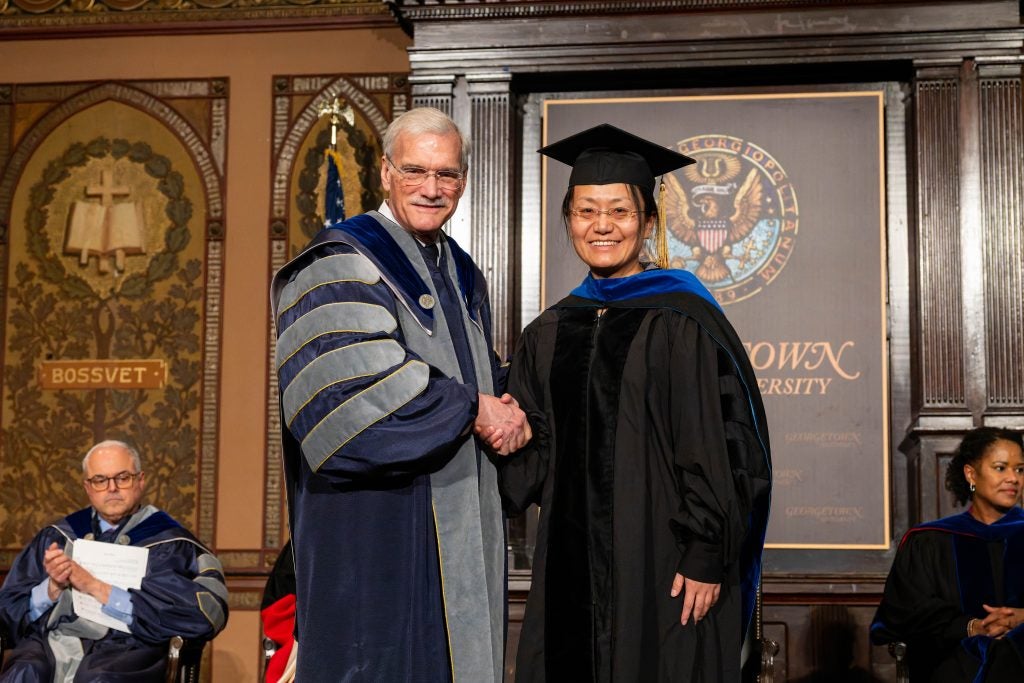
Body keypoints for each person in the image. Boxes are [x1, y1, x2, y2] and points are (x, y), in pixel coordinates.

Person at [493, 123, 772, 682]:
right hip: (570, 566)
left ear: (648, 222)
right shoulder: (547, 332)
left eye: (619, 211)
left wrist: (705, 555)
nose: (602, 226)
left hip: (662, 564)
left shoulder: (682, 320)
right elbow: (531, 466)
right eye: (587, 211)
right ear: (569, 221)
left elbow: (717, 444)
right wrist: (510, 434)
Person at [270, 106, 530, 682]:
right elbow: (351, 404)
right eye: (416, 171)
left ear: (464, 181)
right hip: (375, 530)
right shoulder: (340, 260)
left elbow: (479, 378)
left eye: (448, 175)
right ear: (385, 172)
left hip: (461, 520)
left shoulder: (460, 270)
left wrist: (515, 397)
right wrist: (474, 408)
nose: (432, 189)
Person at [0, 440, 228, 682]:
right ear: (88, 487)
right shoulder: (57, 536)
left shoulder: (173, 544)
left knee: (100, 678)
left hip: (130, 647)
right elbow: (6, 613)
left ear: (141, 480)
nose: (112, 488)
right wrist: (52, 588)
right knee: (25, 671)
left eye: (123, 477)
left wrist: (97, 587)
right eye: (100, 480)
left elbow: (206, 614)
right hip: (53, 642)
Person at [871, 427, 1024, 682]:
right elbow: (907, 611)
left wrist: (1020, 618)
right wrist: (972, 626)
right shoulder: (931, 540)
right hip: (952, 665)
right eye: (1000, 467)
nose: (1013, 478)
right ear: (971, 473)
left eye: (1019, 469)